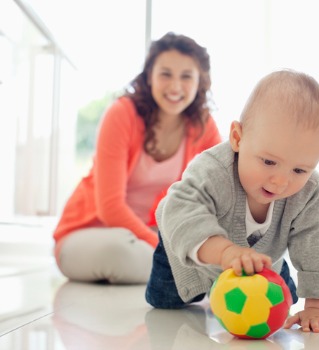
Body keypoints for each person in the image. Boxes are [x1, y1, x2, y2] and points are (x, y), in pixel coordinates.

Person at [146, 69, 319, 333]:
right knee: (166, 303)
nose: (280, 182)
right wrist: (225, 253)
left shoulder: (309, 191)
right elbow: (181, 210)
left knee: (286, 301)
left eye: (299, 170)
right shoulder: (212, 170)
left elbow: (316, 243)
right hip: (183, 253)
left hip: (260, 259)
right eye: (269, 162)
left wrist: (318, 307)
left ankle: (270, 269)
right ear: (238, 138)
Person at [52, 32, 222, 284]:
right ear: (150, 76)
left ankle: (182, 273)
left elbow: (220, 195)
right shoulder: (122, 114)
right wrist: (169, 250)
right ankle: (183, 273)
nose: (175, 86)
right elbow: (110, 209)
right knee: (120, 250)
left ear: (200, 82)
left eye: (186, 76)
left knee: (193, 245)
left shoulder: (203, 126)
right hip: (90, 234)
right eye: (166, 74)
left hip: (147, 235)